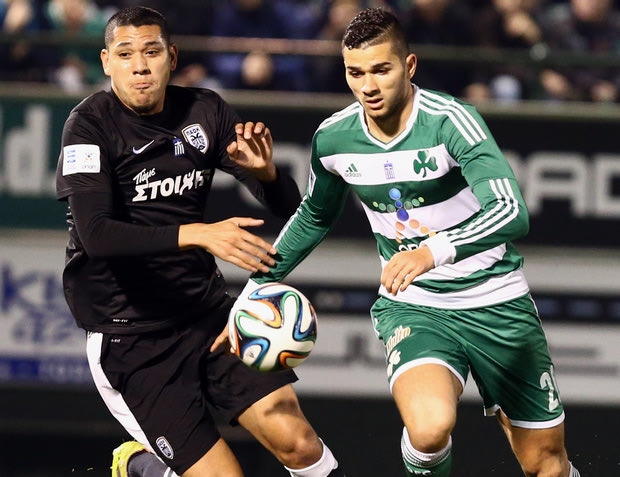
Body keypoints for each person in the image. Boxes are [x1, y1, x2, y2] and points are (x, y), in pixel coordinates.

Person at [213, 7, 582, 477]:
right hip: (416, 306)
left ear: (409, 66)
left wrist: (432, 251)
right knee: (429, 429)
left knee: (545, 465)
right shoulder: (334, 138)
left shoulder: (451, 121)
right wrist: (251, 291)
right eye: (355, 73)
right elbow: (314, 216)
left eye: (381, 70)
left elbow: (511, 211)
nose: (368, 85)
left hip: (497, 302)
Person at [55, 6, 344, 477]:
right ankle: (141, 467)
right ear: (107, 62)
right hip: (130, 338)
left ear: (172, 57)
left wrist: (267, 174)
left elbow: (288, 205)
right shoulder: (88, 125)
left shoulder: (205, 110)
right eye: (125, 54)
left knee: (300, 444)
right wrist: (200, 235)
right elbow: (97, 235)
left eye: (151, 52)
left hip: (209, 317)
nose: (139, 66)